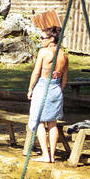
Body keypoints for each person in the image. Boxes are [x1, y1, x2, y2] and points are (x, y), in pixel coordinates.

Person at [27, 26, 68, 163]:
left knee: (38, 121)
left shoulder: (44, 52)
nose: (41, 40)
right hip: (56, 88)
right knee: (52, 123)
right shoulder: (63, 54)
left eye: (42, 38)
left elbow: (36, 72)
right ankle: (52, 155)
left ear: (51, 39)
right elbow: (65, 77)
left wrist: (30, 88)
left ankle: (46, 154)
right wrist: (58, 89)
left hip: (43, 86)